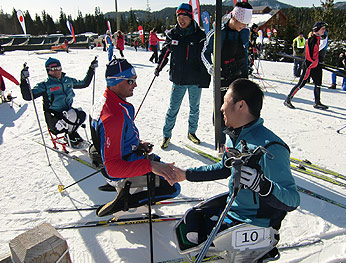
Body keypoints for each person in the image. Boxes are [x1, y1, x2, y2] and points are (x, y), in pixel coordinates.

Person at [173, 79, 300, 249]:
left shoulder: (271, 148)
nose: (221, 108)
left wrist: (263, 186)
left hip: (254, 224)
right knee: (191, 218)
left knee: (195, 238)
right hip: (233, 211)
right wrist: (186, 174)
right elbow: (224, 168)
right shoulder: (238, 137)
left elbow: (292, 200)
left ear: (241, 105)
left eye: (225, 102)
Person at [89, 58, 180, 217]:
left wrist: (137, 144)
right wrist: (150, 166)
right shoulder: (113, 116)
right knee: (173, 187)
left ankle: (133, 189)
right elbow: (113, 168)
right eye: (130, 81)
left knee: (159, 163)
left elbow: (120, 134)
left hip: (125, 153)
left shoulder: (112, 101)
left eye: (135, 80)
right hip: (122, 162)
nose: (135, 85)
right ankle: (126, 201)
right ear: (115, 82)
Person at [155, 3, 211, 149]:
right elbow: (165, 53)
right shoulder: (173, 34)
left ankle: (191, 132)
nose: (181, 20)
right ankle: (166, 135)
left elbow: (206, 55)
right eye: (179, 17)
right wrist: (158, 67)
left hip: (195, 80)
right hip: (178, 80)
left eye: (184, 16)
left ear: (190, 17)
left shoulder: (200, 35)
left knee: (195, 108)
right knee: (173, 108)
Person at [202, 1, 252, 154]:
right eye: (241, 23)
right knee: (222, 111)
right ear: (233, 17)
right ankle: (221, 144)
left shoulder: (244, 32)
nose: (243, 26)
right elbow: (204, 53)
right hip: (223, 77)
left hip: (240, 76)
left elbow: (244, 52)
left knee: (242, 110)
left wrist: (246, 70)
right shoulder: (217, 33)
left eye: (246, 23)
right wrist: (210, 67)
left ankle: (238, 143)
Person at [20, 57, 98, 148]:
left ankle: (71, 134)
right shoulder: (45, 85)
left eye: (58, 68)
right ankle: (70, 136)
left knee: (81, 115)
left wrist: (91, 69)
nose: (56, 71)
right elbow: (28, 96)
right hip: (54, 117)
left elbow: (84, 83)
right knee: (72, 115)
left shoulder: (67, 81)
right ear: (48, 71)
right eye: (52, 69)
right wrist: (23, 80)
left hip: (67, 113)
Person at [284, 22, 329, 110]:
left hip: (316, 65)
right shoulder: (312, 40)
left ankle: (317, 102)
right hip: (309, 66)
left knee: (318, 83)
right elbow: (309, 55)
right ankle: (288, 99)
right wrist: (312, 63)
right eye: (322, 29)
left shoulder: (317, 38)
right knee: (301, 83)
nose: (324, 30)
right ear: (317, 29)